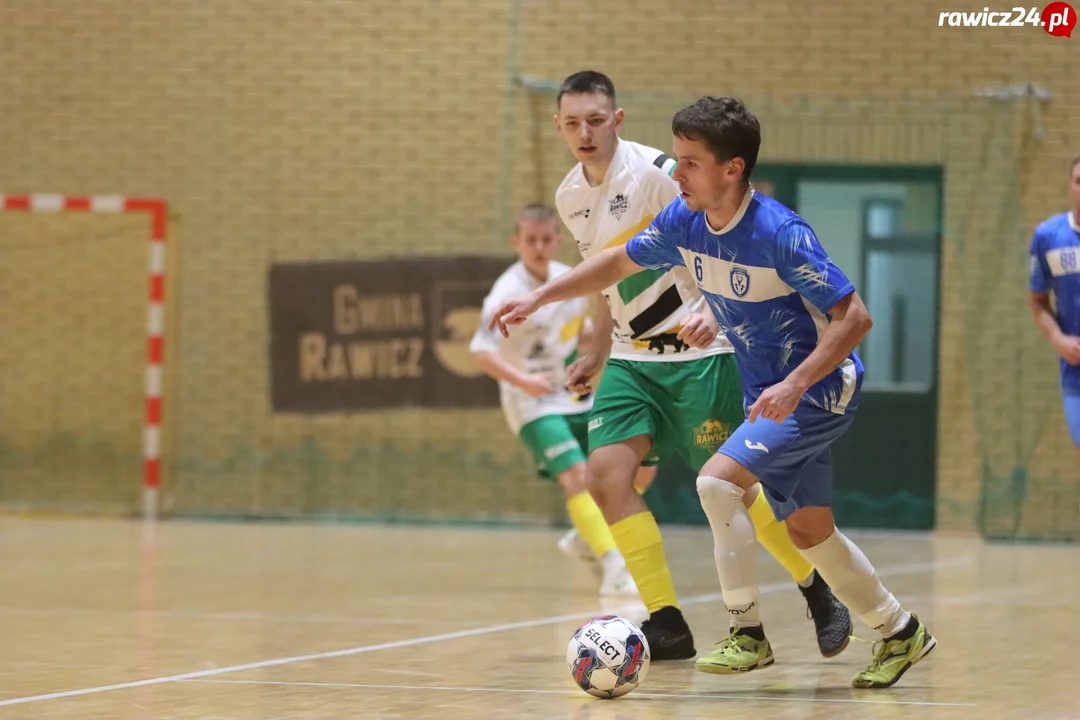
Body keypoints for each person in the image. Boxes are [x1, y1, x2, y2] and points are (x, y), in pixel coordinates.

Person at [491, 95, 936, 689]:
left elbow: (854, 317)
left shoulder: (780, 233)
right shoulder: (684, 220)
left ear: (732, 169)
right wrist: (540, 297)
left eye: (691, 163)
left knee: (716, 481)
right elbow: (616, 263)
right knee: (809, 531)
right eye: (675, 160)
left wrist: (793, 383)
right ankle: (900, 632)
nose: (677, 173)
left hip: (818, 387)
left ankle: (747, 633)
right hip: (772, 389)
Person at [548, 71, 851, 661]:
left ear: (618, 119)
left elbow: (723, 236)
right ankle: (666, 621)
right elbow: (609, 275)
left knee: (732, 492)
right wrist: (598, 345)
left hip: (699, 356)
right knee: (605, 477)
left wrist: (715, 309)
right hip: (634, 360)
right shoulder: (569, 195)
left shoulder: (661, 173)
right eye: (572, 122)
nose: (584, 133)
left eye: (595, 120)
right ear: (558, 126)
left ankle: (817, 590)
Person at [469, 203, 638, 597]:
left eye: (547, 239)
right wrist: (524, 381)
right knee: (577, 477)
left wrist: (590, 350)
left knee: (631, 468)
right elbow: (481, 352)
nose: (540, 247)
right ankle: (614, 563)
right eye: (531, 240)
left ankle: (586, 534)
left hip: (574, 393)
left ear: (558, 240)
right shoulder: (506, 292)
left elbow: (585, 330)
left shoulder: (568, 282)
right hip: (531, 403)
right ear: (517, 243)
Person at [1029, 152, 1080, 459]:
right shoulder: (1048, 237)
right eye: (1079, 181)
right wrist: (1058, 339)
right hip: (1075, 370)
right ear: (1070, 185)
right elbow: (1037, 301)